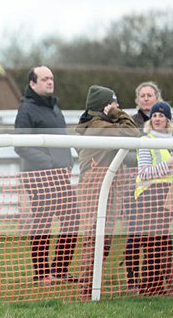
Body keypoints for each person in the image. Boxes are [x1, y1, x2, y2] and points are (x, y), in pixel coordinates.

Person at [13, 66, 79, 284]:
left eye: (51, 78)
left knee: (72, 218)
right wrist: (50, 163)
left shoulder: (55, 108)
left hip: (60, 175)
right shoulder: (26, 110)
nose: (50, 82)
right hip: (38, 177)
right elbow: (20, 146)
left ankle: (59, 270)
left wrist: (66, 163)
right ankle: (41, 274)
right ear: (33, 83)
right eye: (44, 79)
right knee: (43, 222)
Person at [74, 85, 140, 298]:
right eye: (113, 103)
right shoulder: (100, 126)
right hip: (96, 186)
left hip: (102, 185)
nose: (117, 107)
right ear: (104, 107)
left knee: (102, 239)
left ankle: (93, 285)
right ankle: (88, 288)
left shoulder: (94, 123)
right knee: (95, 237)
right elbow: (132, 132)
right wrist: (116, 113)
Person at [129, 101, 173, 295]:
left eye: (161, 116)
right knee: (153, 244)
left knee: (162, 242)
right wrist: (169, 165)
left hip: (167, 196)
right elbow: (144, 172)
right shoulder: (146, 140)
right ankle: (150, 287)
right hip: (149, 196)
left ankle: (156, 286)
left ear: (168, 119)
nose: (157, 119)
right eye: (154, 116)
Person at [125, 81, 164, 291]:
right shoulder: (131, 123)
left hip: (161, 191)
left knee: (158, 238)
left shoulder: (168, 124)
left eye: (150, 94)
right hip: (135, 188)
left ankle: (154, 280)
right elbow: (125, 154)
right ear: (137, 99)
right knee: (135, 235)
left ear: (157, 97)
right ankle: (132, 278)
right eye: (143, 95)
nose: (146, 98)